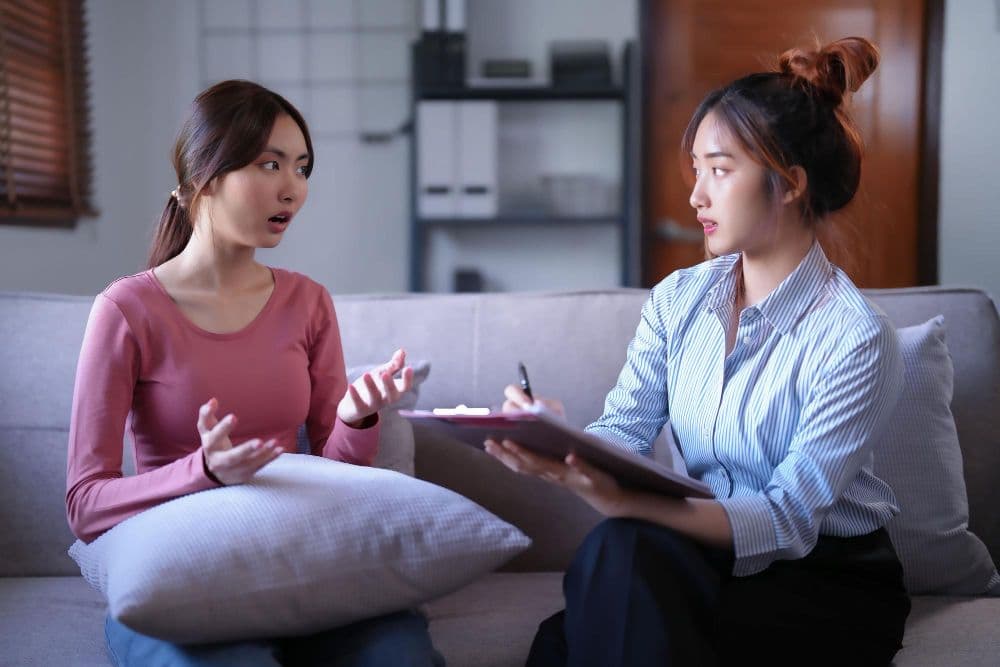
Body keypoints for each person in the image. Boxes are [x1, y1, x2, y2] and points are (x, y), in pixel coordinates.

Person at [485, 37, 910, 667]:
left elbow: (787, 520)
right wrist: (560, 438)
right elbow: (624, 434)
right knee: (617, 563)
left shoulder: (854, 337)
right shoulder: (679, 299)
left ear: (788, 183)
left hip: (824, 578)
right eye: (696, 169)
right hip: (703, 550)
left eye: (719, 169)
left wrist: (628, 503)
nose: (695, 197)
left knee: (589, 610)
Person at [65, 80, 444, 666]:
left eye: (302, 167)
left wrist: (356, 416)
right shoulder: (126, 311)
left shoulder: (308, 302)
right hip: (184, 570)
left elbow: (334, 476)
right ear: (204, 178)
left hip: (301, 558)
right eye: (270, 164)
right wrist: (204, 472)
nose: (293, 188)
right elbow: (86, 504)